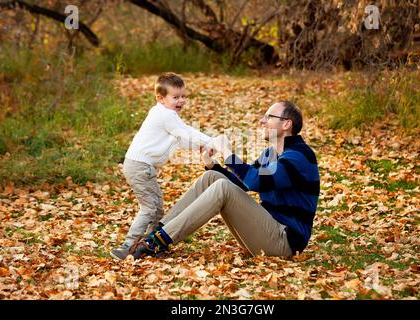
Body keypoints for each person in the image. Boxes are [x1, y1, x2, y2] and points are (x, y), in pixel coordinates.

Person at [129, 101, 320, 260]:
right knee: (213, 177)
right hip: (268, 229)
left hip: (285, 242)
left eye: (269, 117)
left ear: (287, 124)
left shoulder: (299, 156)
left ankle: (157, 244)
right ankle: (155, 235)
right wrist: (213, 165)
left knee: (222, 188)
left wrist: (228, 153)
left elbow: (256, 182)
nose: (262, 120)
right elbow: (244, 184)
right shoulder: (270, 153)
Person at [110, 72, 215, 260]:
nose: (181, 101)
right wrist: (211, 141)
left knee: (157, 209)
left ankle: (151, 245)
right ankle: (127, 246)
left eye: (183, 96)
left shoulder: (166, 115)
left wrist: (200, 146)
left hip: (143, 167)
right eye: (175, 97)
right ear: (160, 98)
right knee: (149, 209)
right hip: (139, 166)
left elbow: (179, 140)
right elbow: (185, 132)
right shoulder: (165, 115)